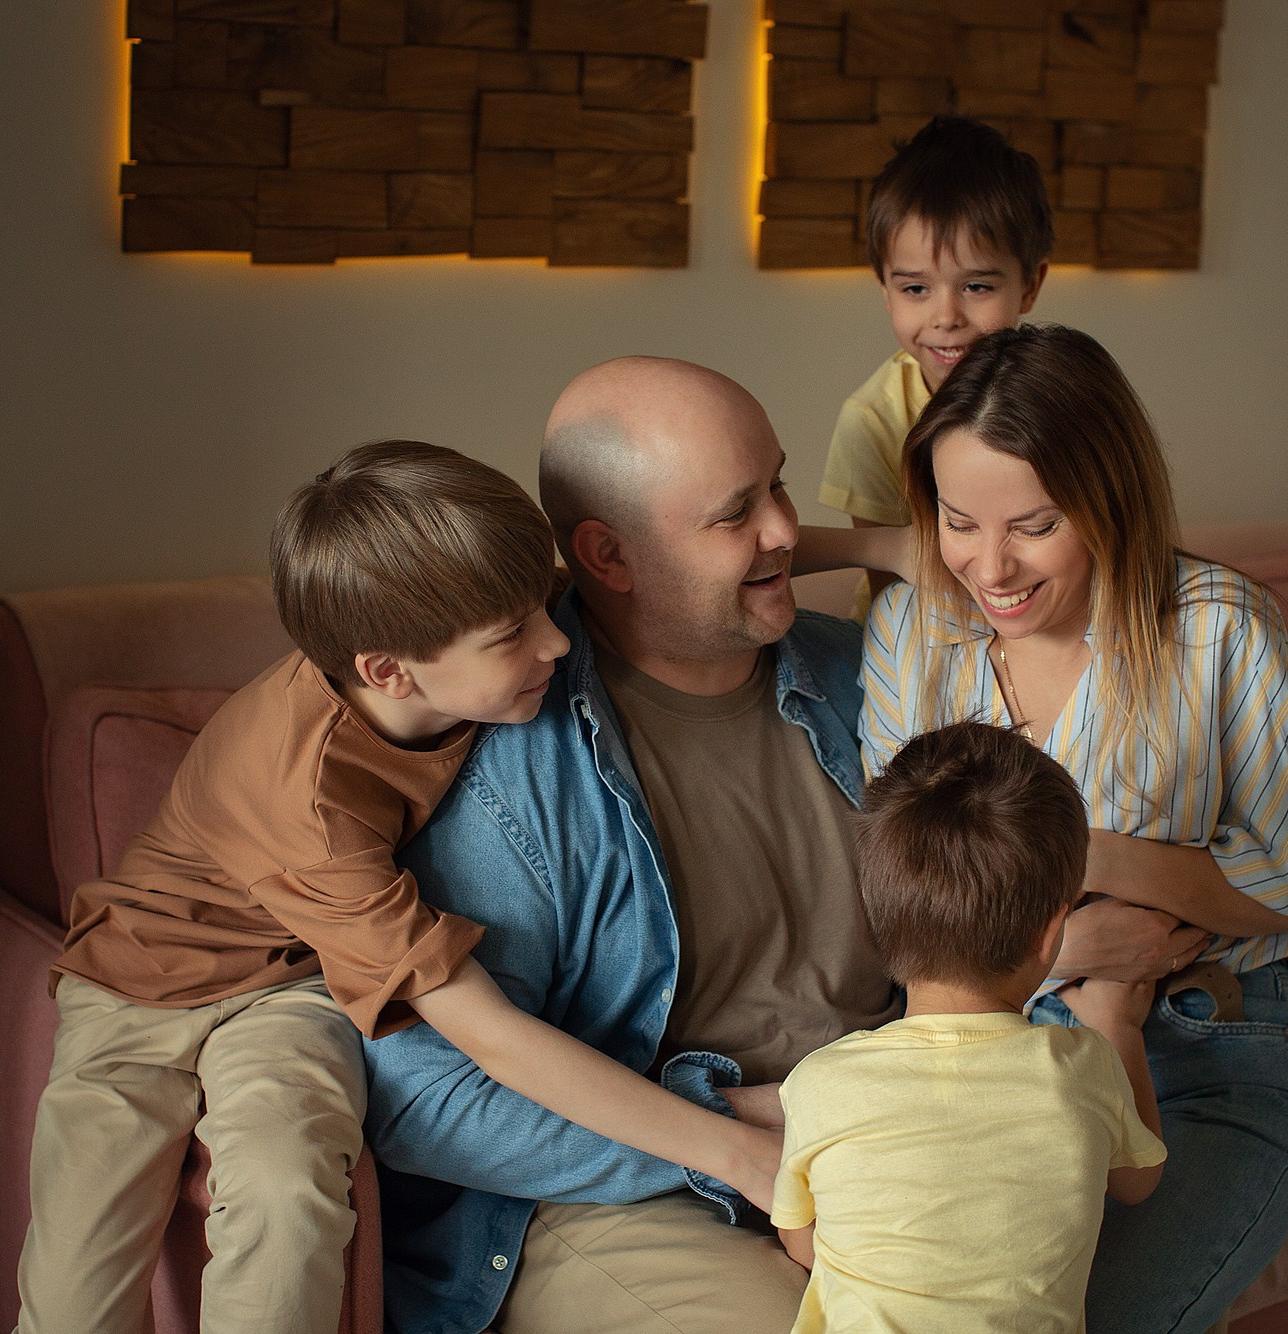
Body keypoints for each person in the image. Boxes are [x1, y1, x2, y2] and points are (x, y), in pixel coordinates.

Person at [14, 441, 781, 1334]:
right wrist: (739, 1156)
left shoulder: (460, 632)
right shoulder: (306, 801)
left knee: (288, 1194)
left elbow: (683, 554)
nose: (556, 639)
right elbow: (495, 1042)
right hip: (135, 986)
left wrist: (889, 546)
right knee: (78, 1272)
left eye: (540, 606)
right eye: (512, 636)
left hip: (297, 987)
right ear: (387, 669)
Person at [365, 359, 899, 1334]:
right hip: (631, 1196)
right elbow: (424, 1099)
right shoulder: (505, 767)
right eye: (735, 512)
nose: (785, 529)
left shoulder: (876, 677)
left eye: (776, 483)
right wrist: (720, 1133)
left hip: (879, 1139)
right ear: (606, 556)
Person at [859, 325, 1288, 1333]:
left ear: (1106, 498)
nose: (987, 565)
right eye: (957, 520)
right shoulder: (912, 635)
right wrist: (1070, 941)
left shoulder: (1215, 626)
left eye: (1034, 524)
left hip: (1202, 1047)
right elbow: (897, 890)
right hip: (976, 1058)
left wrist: (1095, 859)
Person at [773, 720, 1166, 1333]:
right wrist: (1120, 1026)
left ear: (878, 914)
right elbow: (1139, 1182)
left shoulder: (818, 1085)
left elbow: (803, 1244)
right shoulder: (1081, 1070)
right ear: (1048, 934)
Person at [818, 116, 1053, 614]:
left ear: (1030, 285)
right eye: (916, 289)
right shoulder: (874, 421)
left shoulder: (1061, 395)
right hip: (922, 625)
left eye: (977, 287)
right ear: (885, 290)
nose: (945, 318)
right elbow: (888, 581)